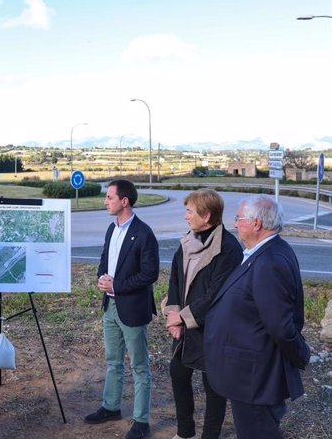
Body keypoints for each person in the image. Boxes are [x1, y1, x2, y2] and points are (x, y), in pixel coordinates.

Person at [204, 195, 310, 439]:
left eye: (239, 219)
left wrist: (300, 355)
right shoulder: (263, 252)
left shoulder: (270, 261)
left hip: (255, 377)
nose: (235, 224)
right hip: (249, 373)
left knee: (258, 432)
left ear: (256, 223)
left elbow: (280, 325)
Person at [164, 189, 242, 439]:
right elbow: (175, 280)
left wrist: (183, 318)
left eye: (189, 211)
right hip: (186, 326)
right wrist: (174, 316)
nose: (186, 216)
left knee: (214, 388)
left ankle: (210, 436)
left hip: (214, 329)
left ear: (206, 216)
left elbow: (216, 294)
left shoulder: (229, 249)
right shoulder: (189, 239)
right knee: (178, 373)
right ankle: (185, 432)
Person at [85, 179, 159, 439]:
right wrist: (101, 279)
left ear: (124, 201)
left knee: (140, 367)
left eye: (109, 197)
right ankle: (111, 406)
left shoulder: (144, 233)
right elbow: (105, 259)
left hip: (133, 308)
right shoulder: (111, 228)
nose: (105, 202)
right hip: (110, 307)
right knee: (113, 362)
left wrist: (118, 285)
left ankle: (141, 421)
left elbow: (150, 274)